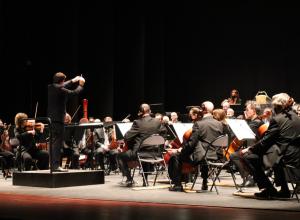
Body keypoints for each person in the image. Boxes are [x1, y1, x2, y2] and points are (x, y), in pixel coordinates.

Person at [242, 93, 300, 199]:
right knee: (269, 154)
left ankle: (269, 190)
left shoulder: (277, 119)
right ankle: (284, 190)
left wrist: (250, 149)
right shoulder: (296, 117)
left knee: (249, 157)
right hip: (296, 154)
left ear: (276, 106)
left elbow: (265, 142)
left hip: (284, 156)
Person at [168, 101, 224, 192]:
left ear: (203, 110)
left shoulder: (199, 124)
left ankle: (177, 185)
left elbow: (191, 144)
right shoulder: (219, 124)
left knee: (175, 157)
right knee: (203, 153)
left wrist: (180, 151)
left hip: (202, 157)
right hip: (216, 156)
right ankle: (204, 182)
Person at [117, 103, 166, 186]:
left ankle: (129, 179)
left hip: (140, 153)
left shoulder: (137, 122)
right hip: (155, 153)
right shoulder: (157, 122)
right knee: (145, 150)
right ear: (150, 111)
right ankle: (145, 180)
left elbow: (127, 137)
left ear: (140, 112)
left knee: (119, 156)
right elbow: (164, 134)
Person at [47, 72, 85, 171]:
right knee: (57, 143)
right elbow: (74, 93)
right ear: (62, 81)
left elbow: (64, 84)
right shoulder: (60, 89)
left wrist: (74, 79)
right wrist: (80, 85)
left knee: (54, 143)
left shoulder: (50, 87)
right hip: (58, 119)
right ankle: (55, 166)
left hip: (52, 119)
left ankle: (53, 165)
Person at [229, 101, 264, 187]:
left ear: (254, 111)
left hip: (256, 151)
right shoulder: (256, 121)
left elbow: (246, 138)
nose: (245, 111)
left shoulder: (255, 123)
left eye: (247, 110)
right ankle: (250, 177)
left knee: (234, 155)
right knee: (236, 154)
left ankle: (250, 177)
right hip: (256, 149)